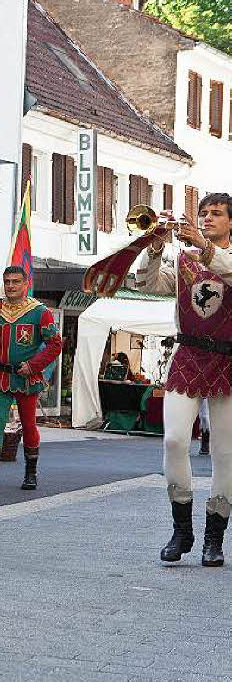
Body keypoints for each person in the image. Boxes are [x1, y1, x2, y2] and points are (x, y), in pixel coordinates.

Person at [135, 193, 232, 566]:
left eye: (216, 213)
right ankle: (182, 529)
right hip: (188, 355)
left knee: (224, 454)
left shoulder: (218, 255)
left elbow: (224, 266)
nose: (207, 218)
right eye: (203, 213)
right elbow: (148, 284)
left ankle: (214, 538)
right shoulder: (187, 259)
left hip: (227, 359)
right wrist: (155, 248)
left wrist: (202, 244)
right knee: (175, 441)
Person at [0, 266, 61, 492]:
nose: (11, 286)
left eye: (15, 282)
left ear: (25, 283)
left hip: (26, 378)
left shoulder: (39, 312)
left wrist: (33, 366)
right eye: (7, 281)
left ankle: (31, 473)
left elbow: (55, 344)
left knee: (29, 425)